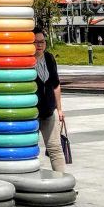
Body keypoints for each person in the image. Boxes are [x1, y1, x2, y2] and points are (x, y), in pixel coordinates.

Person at [33, 29, 67, 171]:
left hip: (48, 112)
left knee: (55, 148)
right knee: (29, 150)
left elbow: (56, 85)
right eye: (36, 42)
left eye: (42, 42)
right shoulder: (25, 60)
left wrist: (59, 109)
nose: (39, 45)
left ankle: (62, 181)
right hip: (31, 114)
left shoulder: (49, 58)